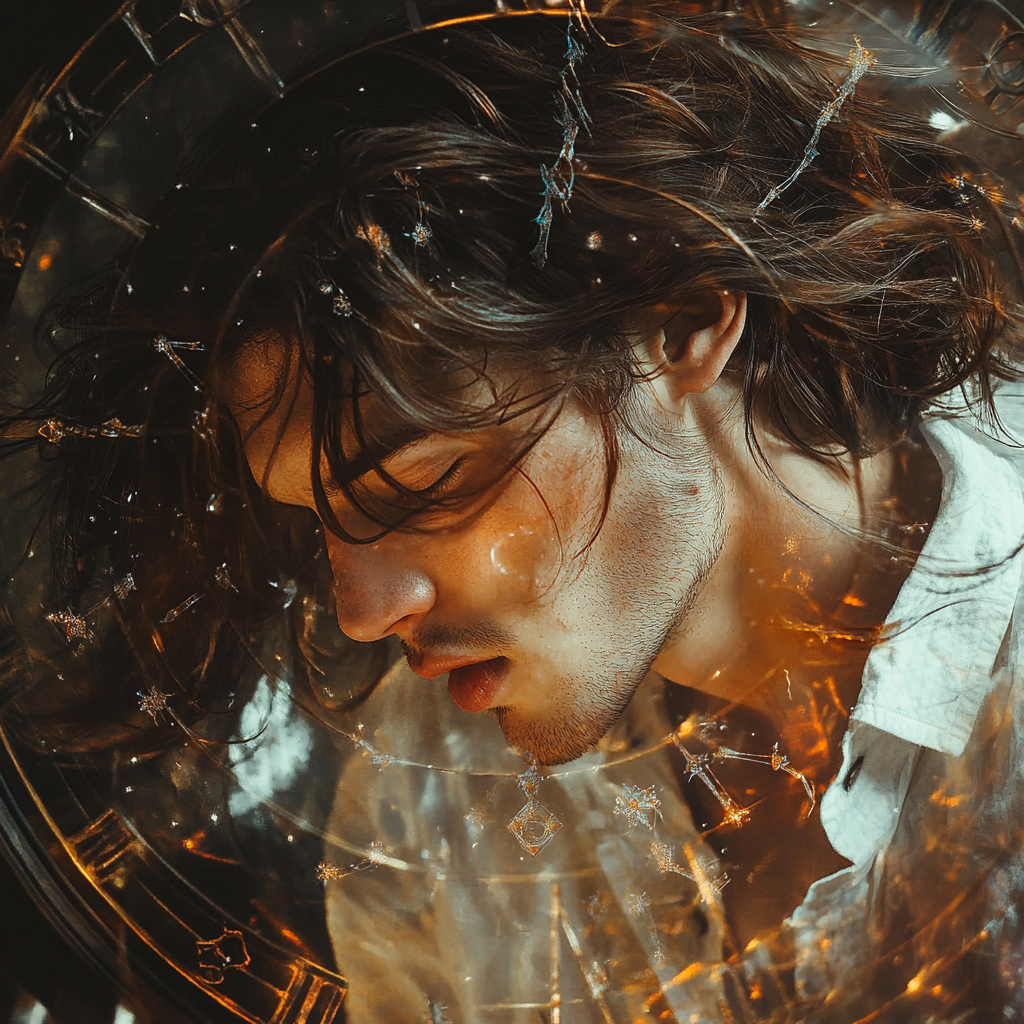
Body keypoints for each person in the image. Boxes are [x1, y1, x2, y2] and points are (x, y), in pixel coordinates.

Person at [8, 2, 1024, 1020]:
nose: (362, 608)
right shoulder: (437, 791)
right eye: (319, 520)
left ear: (678, 328)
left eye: (415, 481)